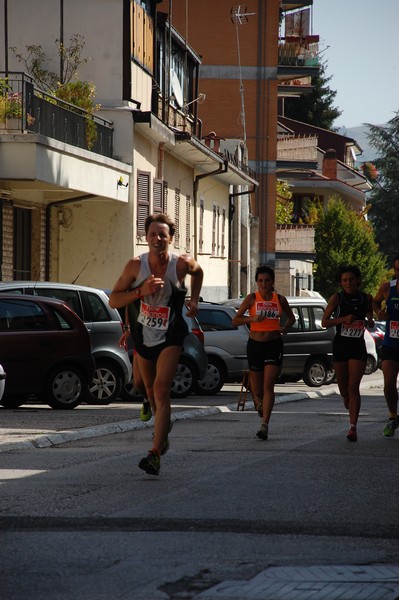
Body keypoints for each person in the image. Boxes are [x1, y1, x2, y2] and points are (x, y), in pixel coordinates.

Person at [109, 213, 203, 475]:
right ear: (146, 237)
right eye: (153, 234)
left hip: (171, 336)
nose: (158, 239)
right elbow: (114, 300)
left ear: (171, 238)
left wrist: (194, 299)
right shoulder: (134, 266)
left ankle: (154, 453)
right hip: (143, 336)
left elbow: (199, 271)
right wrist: (140, 291)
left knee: (162, 390)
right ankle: (161, 422)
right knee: (142, 386)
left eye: (163, 234)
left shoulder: (181, 264)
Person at [232, 266, 295, 441]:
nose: (264, 284)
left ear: (272, 282)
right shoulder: (252, 299)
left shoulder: (280, 299)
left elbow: (292, 318)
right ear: (257, 282)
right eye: (260, 280)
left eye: (267, 280)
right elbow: (235, 320)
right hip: (255, 345)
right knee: (258, 389)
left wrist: (285, 328)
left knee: (268, 386)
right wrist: (251, 318)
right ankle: (258, 401)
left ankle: (265, 425)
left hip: (273, 345)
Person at [322, 265, 374, 442]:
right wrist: (343, 319)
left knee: (354, 386)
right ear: (341, 282)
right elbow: (324, 322)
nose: (348, 283)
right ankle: (346, 397)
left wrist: (370, 320)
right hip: (341, 346)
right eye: (344, 280)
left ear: (357, 280)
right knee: (344, 388)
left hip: (358, 345)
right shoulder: (337, 298)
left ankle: (353, 427)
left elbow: (369, 315)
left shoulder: (366, 298)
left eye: (351, 279)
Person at [373, 254, 399, 437]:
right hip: (391, 343)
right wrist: (379, 312)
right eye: (398, 269)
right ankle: (392, 417)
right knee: (388, 384)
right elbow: (374, 302)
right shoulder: (387, 288)